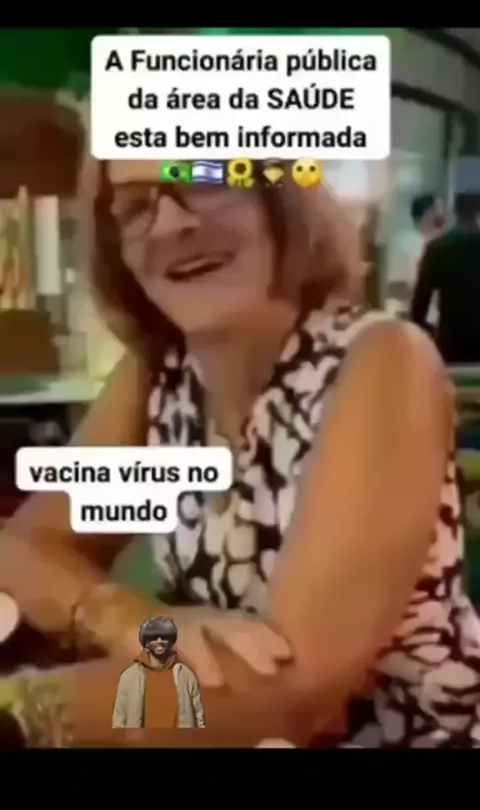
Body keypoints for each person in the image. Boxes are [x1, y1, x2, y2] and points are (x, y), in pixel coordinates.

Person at [1, 155, 480, 748]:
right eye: (135, 207)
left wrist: (24, 712)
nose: (171, 223)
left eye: (206, 181)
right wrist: (116, 613)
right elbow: (25, 545)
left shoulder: (384, 359)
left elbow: (294, 693)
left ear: (282, 200)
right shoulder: (160, 373)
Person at [411, 192, 480, 364]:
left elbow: (419, 307)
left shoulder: (437, 248)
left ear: (455, 213)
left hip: (451, 343)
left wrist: (430, 332)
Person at [112, 616, 205, 729]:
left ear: (171, 641)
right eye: (154, 638)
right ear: (146, 642)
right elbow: (119, 715)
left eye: (164, 637)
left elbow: (198, 715)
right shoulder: (130, 675)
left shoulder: (185, 675)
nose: (159, 641)